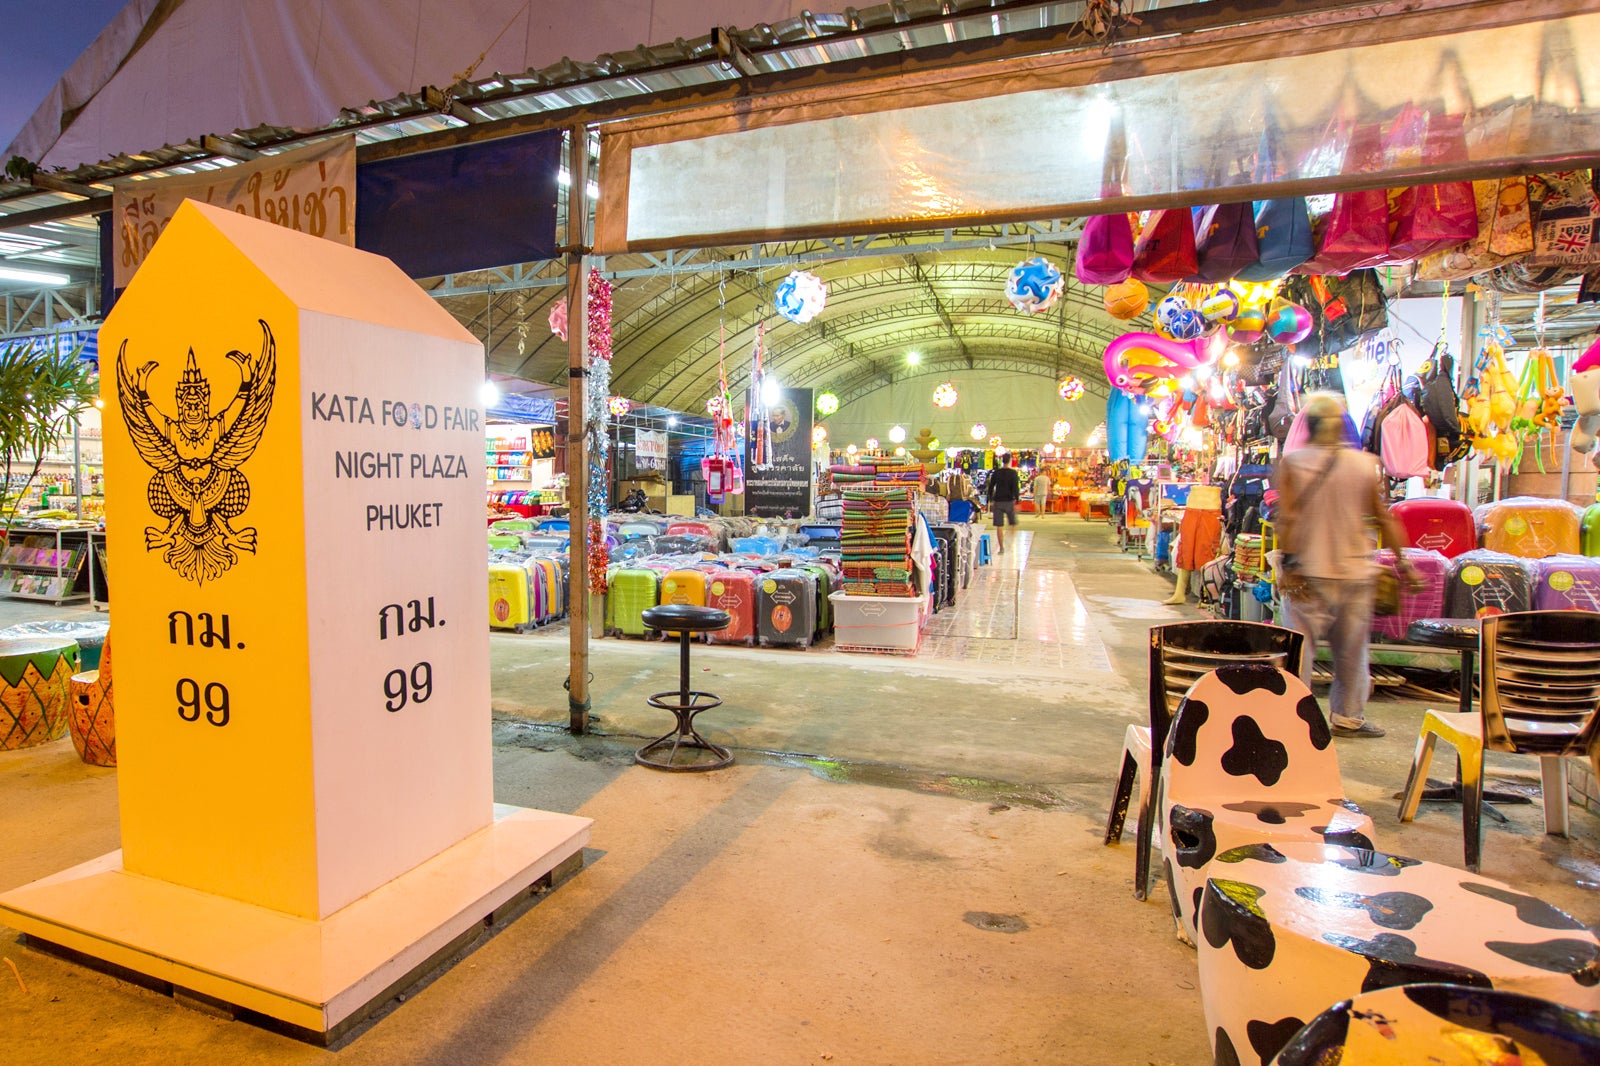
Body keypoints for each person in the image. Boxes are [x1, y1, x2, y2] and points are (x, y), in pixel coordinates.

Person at [1274, 392, 1417, 739]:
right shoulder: (1365, 464)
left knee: (1300, 652)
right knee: (1352, 652)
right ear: (1341, 427)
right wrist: (1404, 563)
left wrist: (1289, 566)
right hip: (1355, 574)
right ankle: (1348, 717)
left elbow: (1289, 518)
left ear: (1308, 426)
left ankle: (1295, 719)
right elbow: (1383, 517)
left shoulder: (1293, 464)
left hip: (1308, 573)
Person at [988, 453, 1021, 553]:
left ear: (1002, 461)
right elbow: (1016, 488)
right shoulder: (1013, 473)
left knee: (999, 526)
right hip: (1009, 501)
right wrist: (1018, 500)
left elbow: (990, 486)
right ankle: (1009, 541)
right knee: (1013, 523)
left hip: (998, 501)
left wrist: (990, 500)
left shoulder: (996, 473)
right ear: (1010, 461)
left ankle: (1001, 548)